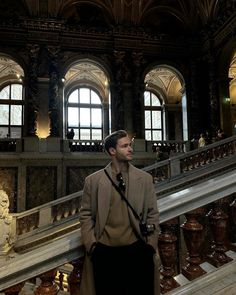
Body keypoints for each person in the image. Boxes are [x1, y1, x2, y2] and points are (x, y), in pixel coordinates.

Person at [80, 130, 160, 295]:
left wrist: (150, 245)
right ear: (112, 151)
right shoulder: (93, 181)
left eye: (130, 145)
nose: (130, 148)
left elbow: (153, 213)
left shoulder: (144, 179)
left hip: (137, 251)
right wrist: (92, 245)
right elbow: (86, 215)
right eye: (125, 146)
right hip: (105, 254)